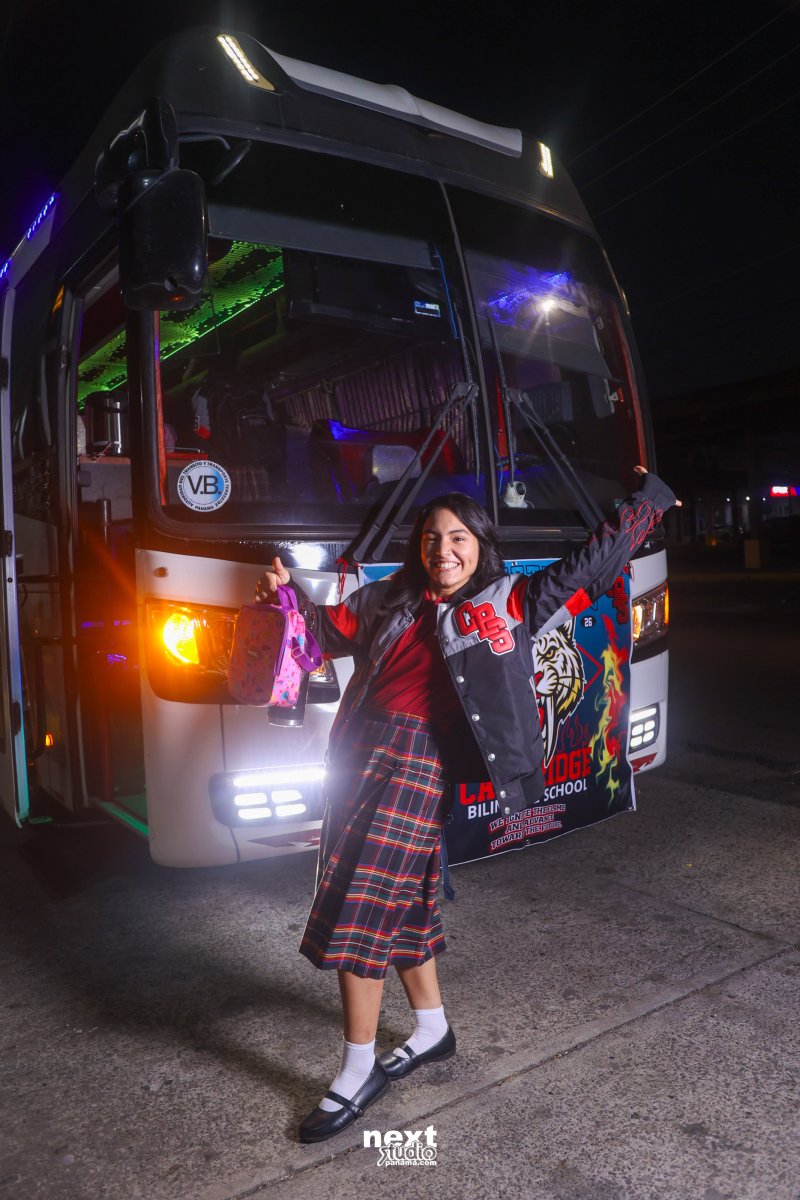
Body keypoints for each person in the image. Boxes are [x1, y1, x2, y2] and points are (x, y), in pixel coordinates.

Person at [253, 467, 680, 1143]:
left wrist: (648, 504)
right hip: (356, 755)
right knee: (402, 901)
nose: (443, 549)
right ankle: (431, 1030)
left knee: (362, 907)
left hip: (420, 763)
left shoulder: (512, 601)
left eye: (458, 537)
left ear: (480, 544)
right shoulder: (387, 598)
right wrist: (285, 600)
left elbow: (592, 566)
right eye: (431, 537)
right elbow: (319, 636)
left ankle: (358, 1070)